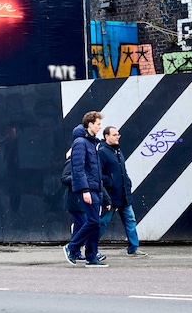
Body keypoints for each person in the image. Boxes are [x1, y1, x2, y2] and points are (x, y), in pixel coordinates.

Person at [63, 111, 108, 267]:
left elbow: (94, 170)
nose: (100, 127)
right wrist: (84, 190)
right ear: (90, 124)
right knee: (93, 221)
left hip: (96, 189)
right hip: (88, 189)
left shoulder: (92, 143)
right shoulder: (81, 142)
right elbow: (78, 168)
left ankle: (91, 257)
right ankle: (72, 246)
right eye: (98, 124)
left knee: (95, 223)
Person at [98, 126, 148, 257]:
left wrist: (127, 182)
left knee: (130, 220)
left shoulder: (118, 151)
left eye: (118, 135)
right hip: (111, 195)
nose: (117, 137)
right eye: (114, 135)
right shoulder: (102, 152)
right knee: (103, 221)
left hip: (124, 194)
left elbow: (122, 172)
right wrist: (110, 182)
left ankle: (133, 248)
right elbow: (97, 173)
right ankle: (91, 246)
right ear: (106, 136)